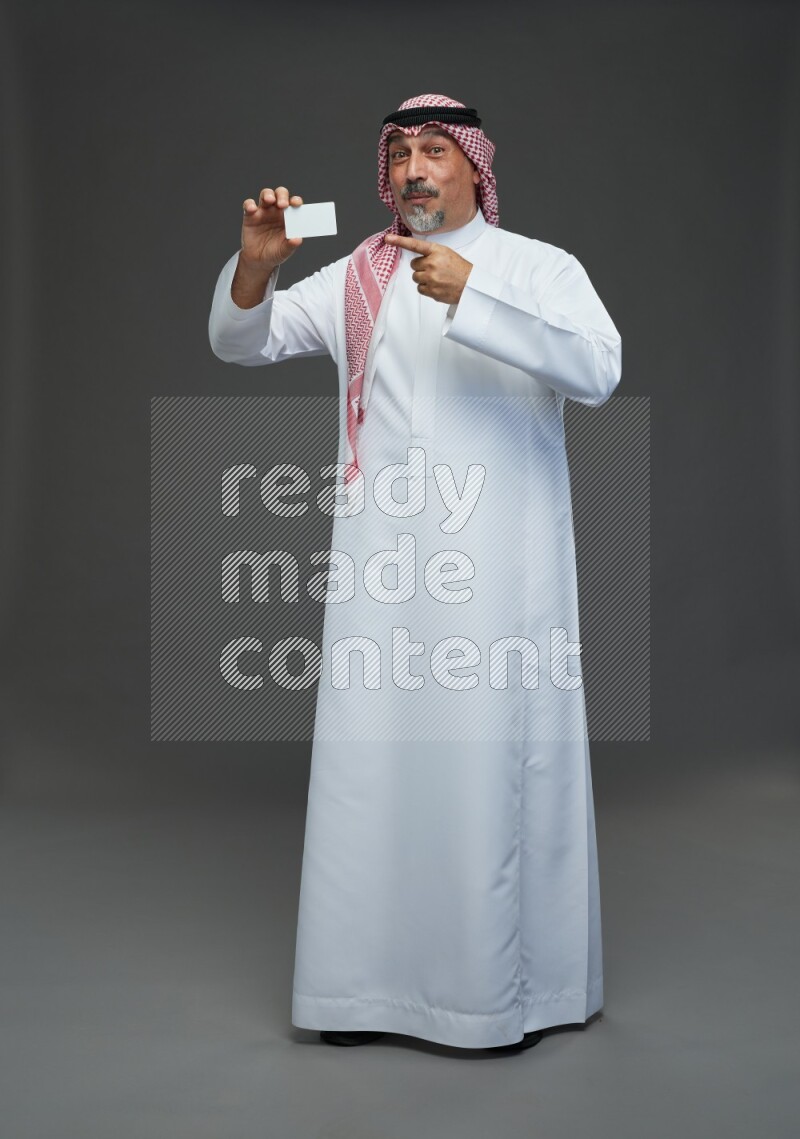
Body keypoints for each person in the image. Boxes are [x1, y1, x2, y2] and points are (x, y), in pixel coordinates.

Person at [208, 94, 622, 1054]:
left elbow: (599, 369)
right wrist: (254, 273)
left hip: (496, 576)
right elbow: (243, 342)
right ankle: (360, 993)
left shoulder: (535, 267)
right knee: (370, 769)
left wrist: (476, 296)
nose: (415, 169)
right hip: (380, 573)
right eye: (400, 154)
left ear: (477, 166)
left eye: (436, 150)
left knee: (482, 769)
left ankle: (491, 998)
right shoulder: (361, 272)